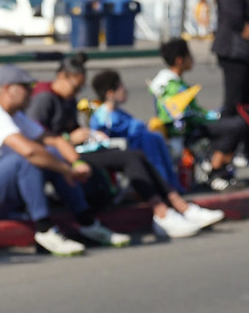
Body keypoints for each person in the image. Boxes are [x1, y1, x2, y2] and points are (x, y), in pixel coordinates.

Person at [0, 64, 126, 256]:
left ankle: (87, 223)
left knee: (49, 153)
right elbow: (29, 152)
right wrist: (66, 170)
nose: (32, 92)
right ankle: (44, 230)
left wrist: (77, 163)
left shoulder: (14, 115)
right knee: (26, 160)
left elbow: (55, 141)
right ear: (8, 89)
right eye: (26, 87)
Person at [34, 54, 218, 233]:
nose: (77, 93)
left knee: (136, 155)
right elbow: (36, 136)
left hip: (79, 150)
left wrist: (89, 135)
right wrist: (69, 138)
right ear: (62, 76)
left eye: (80, 88)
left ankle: (178, 203)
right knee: (131, 158)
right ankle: (162, 210)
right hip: (63, 156)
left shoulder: (67, 99)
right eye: (75, 87)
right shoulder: (45, 99)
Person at [85, 69, 222, 239]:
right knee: (148, 141)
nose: (125, 90)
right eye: (121, 87)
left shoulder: (118, 113)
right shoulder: (103, 116)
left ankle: (177, 201)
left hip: (140, 152)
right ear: (110, 93)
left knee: (154, 138)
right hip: (129, 157)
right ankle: (171, 206)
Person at [148, 37, 247, 188]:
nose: (192, 59)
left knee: (230, 122)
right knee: (236, 126)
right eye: (189, 55)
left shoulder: (169, 81)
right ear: (180, 60)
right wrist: (210, 117)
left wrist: (212, 115)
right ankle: (215, 170)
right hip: (183, 131)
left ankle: (216, 166)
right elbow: (180, 116)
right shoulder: (172, 86)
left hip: (189, 125)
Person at [210, 0, 249, 133]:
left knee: (245, 101)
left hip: (241, 51)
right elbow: (236, 19)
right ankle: (223, 144)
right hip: (233, 51)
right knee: (234, 102)